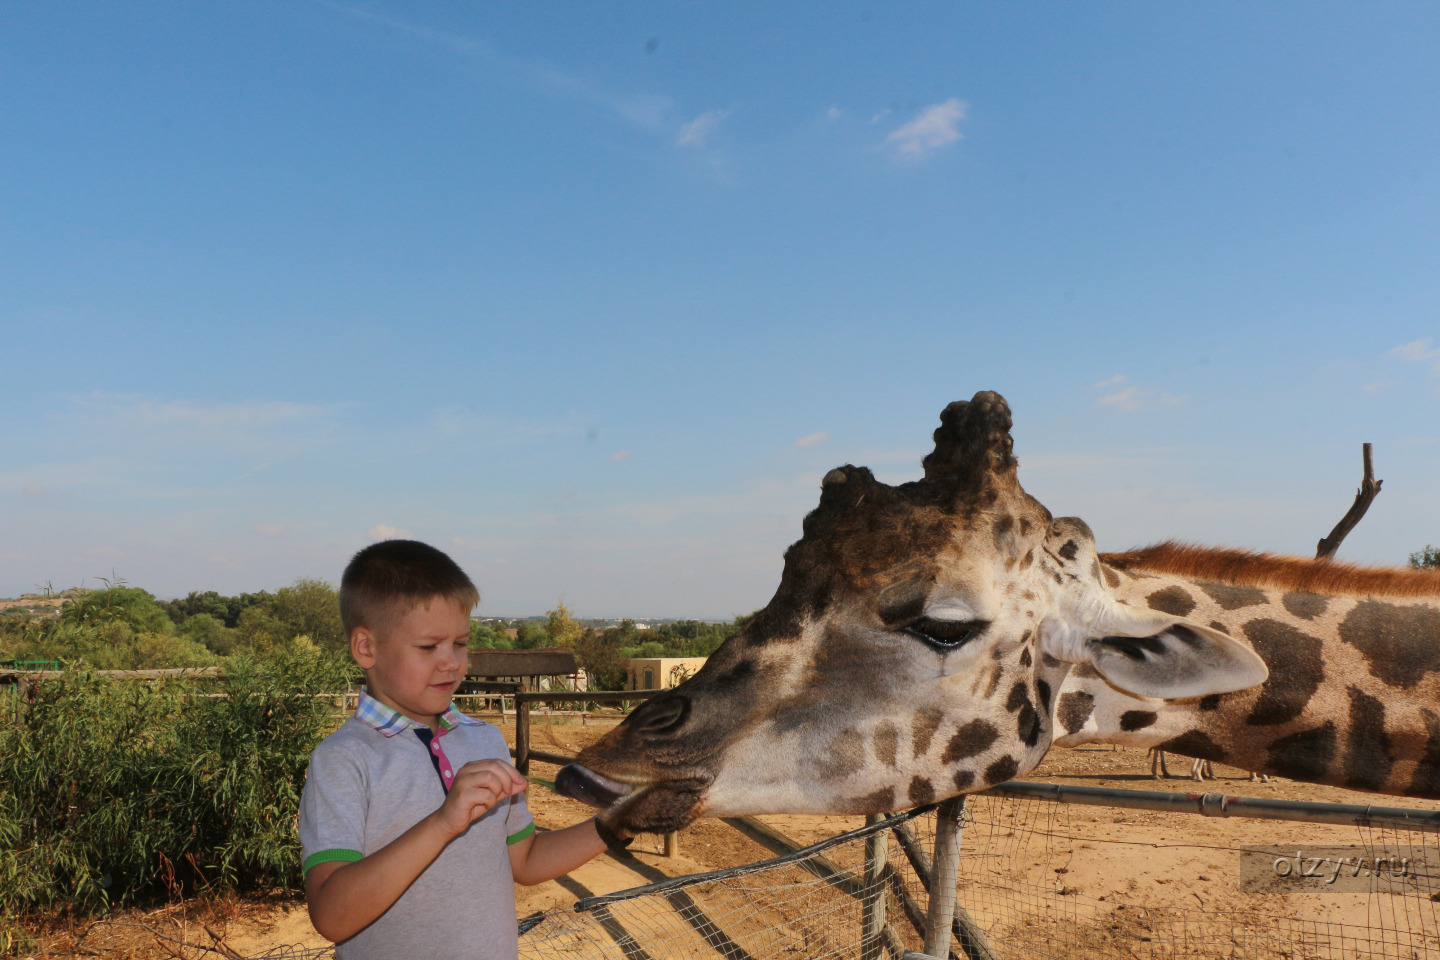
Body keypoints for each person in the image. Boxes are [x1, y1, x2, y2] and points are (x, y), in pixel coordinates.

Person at [299, 539, 629, 960]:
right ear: (367, 648)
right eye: (428, 647)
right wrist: (443, 822)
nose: (452, 662)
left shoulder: (484, 740)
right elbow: (331, 916)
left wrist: (619, 822)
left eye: (460, 643)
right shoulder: (343, 761)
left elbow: (525, 861)